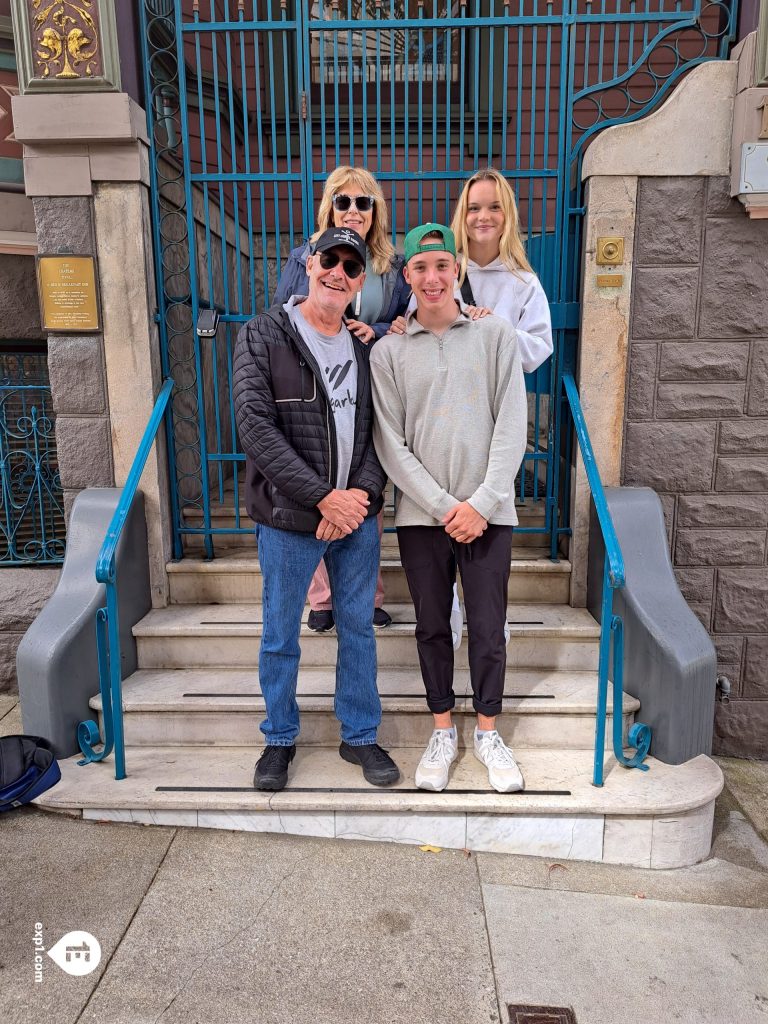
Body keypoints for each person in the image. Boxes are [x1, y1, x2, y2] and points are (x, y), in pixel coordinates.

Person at [233, 226, 400, 792]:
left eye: (352, 268)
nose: (338, 273)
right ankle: (279, 736)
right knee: (280, 632)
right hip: (289, 516)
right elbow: (256, 426)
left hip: (354, 517)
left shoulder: (363, 347)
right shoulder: (265, 333)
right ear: (308, 262)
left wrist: (359, 500)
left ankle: (360, 734)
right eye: (330, 259)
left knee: (358, 627)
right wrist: (321, 496)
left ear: (360, 283)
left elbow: (381, 433)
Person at [370, 223, 528, 794]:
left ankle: (488, 731)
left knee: (487, 628)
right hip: (422, 519)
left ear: (455, 271)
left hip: (490, 514)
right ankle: (443, 730)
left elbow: (512, 424)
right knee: (433, 628)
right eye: (420, 268)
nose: (432, 277)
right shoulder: (387, 352)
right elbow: (390, 442)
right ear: (406, 276)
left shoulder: (496, 337)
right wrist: (442, 507)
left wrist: (482, 502)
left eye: (442, 265)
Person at [391, 169, 554, 652]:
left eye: (494, 207)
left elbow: (539, 346)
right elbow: (416, 324)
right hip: (444, 418)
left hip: (491, 411)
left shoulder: (522, 281)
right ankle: (454, 627)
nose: (484, 216)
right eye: (475, 207)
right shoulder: (442, 268)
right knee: (444, 556)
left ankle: (488, 633)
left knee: (484, 530)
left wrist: (492, 330)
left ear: (508, 215)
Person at [273, 167, 410, 634]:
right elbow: (285, 314)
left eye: (363, 202)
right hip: (315, 385)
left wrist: (379, 330)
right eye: (343, 201)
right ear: (329, 206)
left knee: (363, 485)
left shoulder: (391, 264)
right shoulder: (304, 255)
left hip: (369, 380)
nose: (353, 210)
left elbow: (405, 320)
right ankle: (323, 598)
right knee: (316, 481)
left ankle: (364, 594)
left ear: (376, 211)